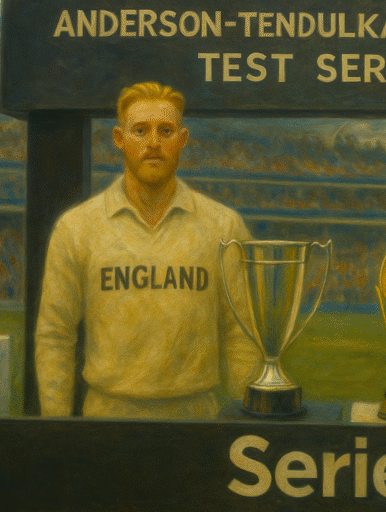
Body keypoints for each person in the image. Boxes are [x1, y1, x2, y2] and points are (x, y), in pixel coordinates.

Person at [35, 81, 260, 419]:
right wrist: (57, 428)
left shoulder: (223, 226)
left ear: (182, 141)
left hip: (195, 417)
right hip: (106, 417)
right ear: (119, 139)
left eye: (165, 131)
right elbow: (55, 335)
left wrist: (248, 423)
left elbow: (242, 336)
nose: (154, 143)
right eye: (140, 130)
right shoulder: (77, 227)